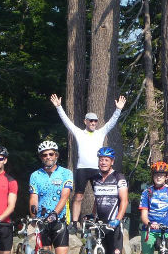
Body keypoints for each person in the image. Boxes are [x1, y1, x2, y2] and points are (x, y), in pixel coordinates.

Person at [50, 93, 126, 224]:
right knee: (78, 196)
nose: (93, 123)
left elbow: (111, 123)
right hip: (82, 169)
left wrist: (118, 109)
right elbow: (67, 122)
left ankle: (96, 218)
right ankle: (74, 222)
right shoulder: (79, 133)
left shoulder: (101, 132)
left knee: (99, 196)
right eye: (90, 120)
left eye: (95, 121)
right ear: (85, 121)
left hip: (98, 169)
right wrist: (58, 107)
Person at [28, 140, 74, 254]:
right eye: (44, 155)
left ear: (56, 155)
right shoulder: (35, 175)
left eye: (51, 154)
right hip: (42, 223)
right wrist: (34, 216)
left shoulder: (66, 173)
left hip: (59, 221)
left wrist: (55, 212)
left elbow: (65, 195)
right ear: (41, 157)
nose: (48, 157)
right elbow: (33, 197)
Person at [87, 147, 130, 254]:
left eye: (106, 159)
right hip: (100, 225)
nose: (103, 162)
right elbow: (97, 201)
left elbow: (124, 200)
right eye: (101, 159)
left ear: (112, 161)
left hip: (114, 225)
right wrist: (92, 216)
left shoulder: (119, 177)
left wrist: (118, 219)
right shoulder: (95, 179)